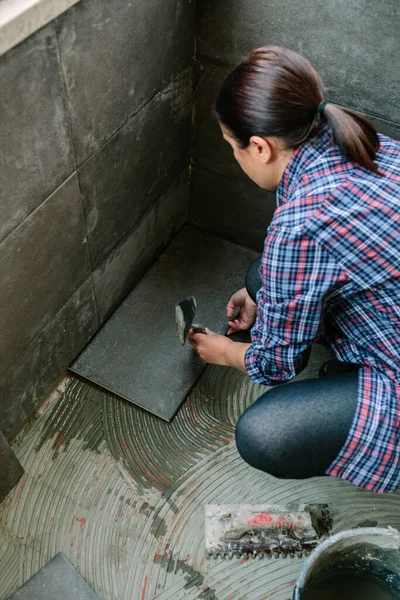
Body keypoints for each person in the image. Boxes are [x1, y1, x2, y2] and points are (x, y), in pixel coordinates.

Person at [188, 46, 400, 493]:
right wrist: (267, 291)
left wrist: (223, 352)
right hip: (389, 312)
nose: (235, 157)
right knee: (259, 277)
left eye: (233, 147)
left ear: (261, 147)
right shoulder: (361, 143)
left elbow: (277, 364)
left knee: (266, 435)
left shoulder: (300, 223)